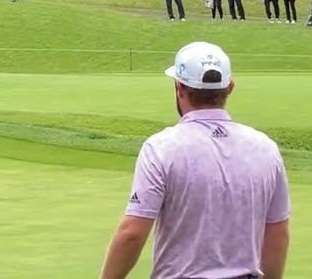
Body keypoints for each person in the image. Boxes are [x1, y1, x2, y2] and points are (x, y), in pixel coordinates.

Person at [98, 41, 290, 279]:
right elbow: (278, 232)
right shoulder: (265, 148)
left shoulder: (161, 148)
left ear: (179, 87)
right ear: (229, 87)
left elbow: (132, 234)